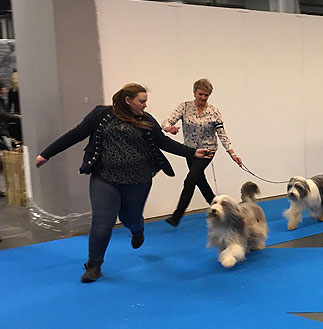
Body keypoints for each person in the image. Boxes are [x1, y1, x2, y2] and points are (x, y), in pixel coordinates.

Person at [35, 83, 212, 283]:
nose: (145, 105)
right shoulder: (101, 115)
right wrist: (46, 154)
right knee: (103, 222)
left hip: (138, 179)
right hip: (104, 177)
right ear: (128, 100)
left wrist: (192, 152)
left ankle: (137, 230)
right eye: (142, 101)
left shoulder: (146, 120)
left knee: (130, 218)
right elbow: (75, 134)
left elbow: (163, 142)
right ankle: (94, 265)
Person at [161, 78, 242, 226]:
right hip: (190, 151)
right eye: (200, 94)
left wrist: (232, 153)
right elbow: (166, 122)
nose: (203, 98)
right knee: (200, 180)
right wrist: (168, 128)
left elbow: (222, 134)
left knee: (190, 180)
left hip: (207, 151)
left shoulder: (214, 112)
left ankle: (176, 216)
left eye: (206, 95)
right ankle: (220, 208)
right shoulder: (184, 107)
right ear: (194, 93)